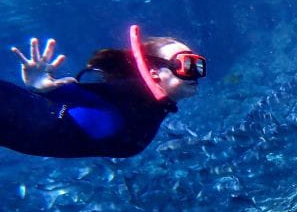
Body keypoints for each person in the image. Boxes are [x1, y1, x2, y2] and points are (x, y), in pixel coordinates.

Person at [0, 25, 206, 158]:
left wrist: (43, 88)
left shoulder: (145, 108)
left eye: (199, 66)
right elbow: (85, 100)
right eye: (188, 64)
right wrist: (42, 87)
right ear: (153, 72)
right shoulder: (127, 97)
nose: (197, 73)